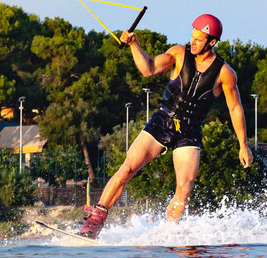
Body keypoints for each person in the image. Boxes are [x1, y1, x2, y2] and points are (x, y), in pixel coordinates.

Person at [79, 13, 254, 238]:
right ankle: (94, 223)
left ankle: (167, 235)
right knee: (128, 167)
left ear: (212, 42)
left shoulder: (225, 73)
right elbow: (148, 69)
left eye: (199, 39)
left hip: (190, 131)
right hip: (162, 121)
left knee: (184, 187)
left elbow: (235, 109)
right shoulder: (179, 53)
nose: (193, 42)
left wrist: (243, 145)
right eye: (192, 36)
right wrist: (134, 44)